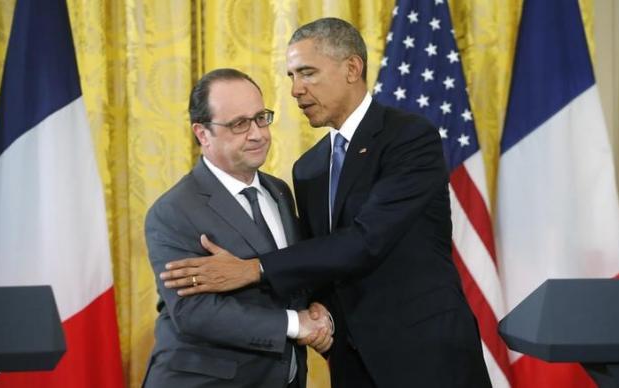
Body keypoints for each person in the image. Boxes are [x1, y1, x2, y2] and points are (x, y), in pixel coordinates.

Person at [161, 19, 491, 388]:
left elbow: (368, 239)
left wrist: (254, 269)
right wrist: (317, 313)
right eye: (290, 76)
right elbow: (318, 257)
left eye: (307, 73)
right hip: (350, 358)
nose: (295, 90)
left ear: (352, 68)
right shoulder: (309, 168)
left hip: (425, 355)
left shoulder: (409, 138)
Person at [143, 68, 333, 388]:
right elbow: (194, 312)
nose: (257, 133)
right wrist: (294, 323)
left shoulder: (280, 191)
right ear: (202, 134)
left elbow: (291, 274)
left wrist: (318, 310)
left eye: (261, 118)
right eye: (239, 124)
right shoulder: (172, 212)